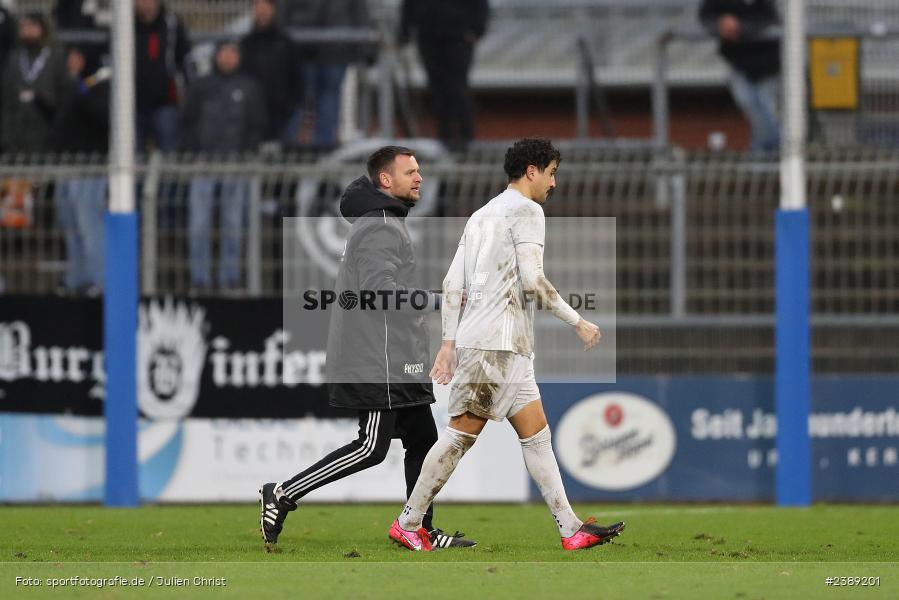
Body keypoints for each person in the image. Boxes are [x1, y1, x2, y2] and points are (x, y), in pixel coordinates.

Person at [388, 139, 625, 552]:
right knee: (460, 435)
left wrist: (448, 343)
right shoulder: (528, 211)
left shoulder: (481, 215)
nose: (553, 183)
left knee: (537, 437)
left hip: (503, 347)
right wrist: (579, 321)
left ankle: (570, 528)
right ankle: (408, 522)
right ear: (531, 171)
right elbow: (534, 281)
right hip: (495, 347)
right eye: (551, 172)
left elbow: (451, 284)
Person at [259, 146, 476, 551]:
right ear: (385, 180)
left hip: (395, 354)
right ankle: (283, 492)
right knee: (371, 447)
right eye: (410, 172)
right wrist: (438, 301)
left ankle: (418, 528)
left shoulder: (382, 221)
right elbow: (381, 294)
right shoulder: (380, 226)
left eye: (419, 171)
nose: (419, 178)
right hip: (378, 357)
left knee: (423, 442)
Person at [180, 41, 265, 291]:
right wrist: (194, 152)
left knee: (233, 223)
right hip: (204, 162)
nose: (228, 58)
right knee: (199, 224)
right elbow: (187, 121)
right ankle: (200, 278)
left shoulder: (249, 87)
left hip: (235, 164)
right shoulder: (202, 86)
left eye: (233, 53)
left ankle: (230, 277)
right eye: (224, 53)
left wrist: (245, 154)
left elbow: (257, 124)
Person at [52, 50, 110, 295]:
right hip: (67, 164)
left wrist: (82, 93)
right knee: (70, 224)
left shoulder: (101, 84)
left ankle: (99, 279)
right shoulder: (75, 85)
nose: (71, 61)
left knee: (89, 225)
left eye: (77, 55)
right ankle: (76, 277)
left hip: (89, 166)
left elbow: (101, 116)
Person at [399, 0, 488, 152]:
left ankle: (466, 136)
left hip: (458, 35)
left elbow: (480, 4)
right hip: (428, 34)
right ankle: (444, 136)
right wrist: (405, 30)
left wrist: (477, 29)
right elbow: (409, 4)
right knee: (437, 87)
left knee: (457, 86)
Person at [700, 0, 780, 153]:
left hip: (768, 61)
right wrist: (720, 25)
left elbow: (769, 18)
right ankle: (778, 145)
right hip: (739, 61)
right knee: (748, 102)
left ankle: (762, 161)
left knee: (765, 106)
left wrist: (740, 27)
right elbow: (706, 16)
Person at [0, 13, 70, 154]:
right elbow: (6, 99)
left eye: (31, 26)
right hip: (16, 135)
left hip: (45, 132)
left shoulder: (56, 56)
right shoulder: (14, 57)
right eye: (23, 26)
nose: (27, 30)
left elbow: (63, 97)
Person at [240, 0, 305, 144]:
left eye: (265, 9)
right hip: (254, 116)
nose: (262, 13)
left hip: (283, 114)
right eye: (258, 9)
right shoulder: (246, 44)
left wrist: (291, 105)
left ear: (273, 10)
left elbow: (297, 78)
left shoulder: (287, 44)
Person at [135, 0, 190, 152]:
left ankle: (170, 176)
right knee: (131, 156)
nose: (145, 4)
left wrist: (184, 94)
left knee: (169, 152)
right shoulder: (125, 26)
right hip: (132, 105)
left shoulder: (172, 25)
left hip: (165, 103)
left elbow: (184, 61)